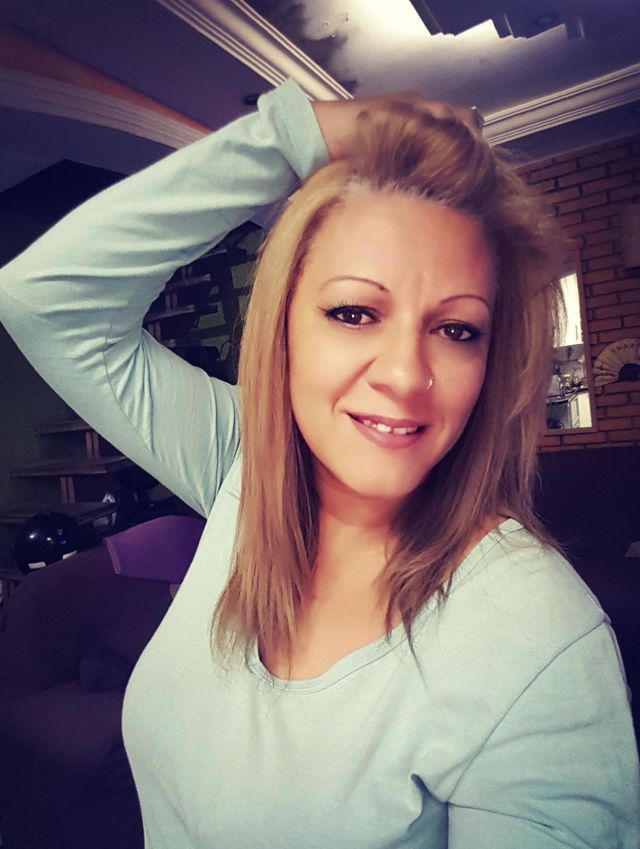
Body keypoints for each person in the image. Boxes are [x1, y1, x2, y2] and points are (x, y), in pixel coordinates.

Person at [0, 78, 638, 848]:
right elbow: (42, 301)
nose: (404, 374)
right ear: (285, 328)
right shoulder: (244, 461)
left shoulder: (536, 631)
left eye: (458, 329)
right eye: (354, 311)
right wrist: (290, 136)